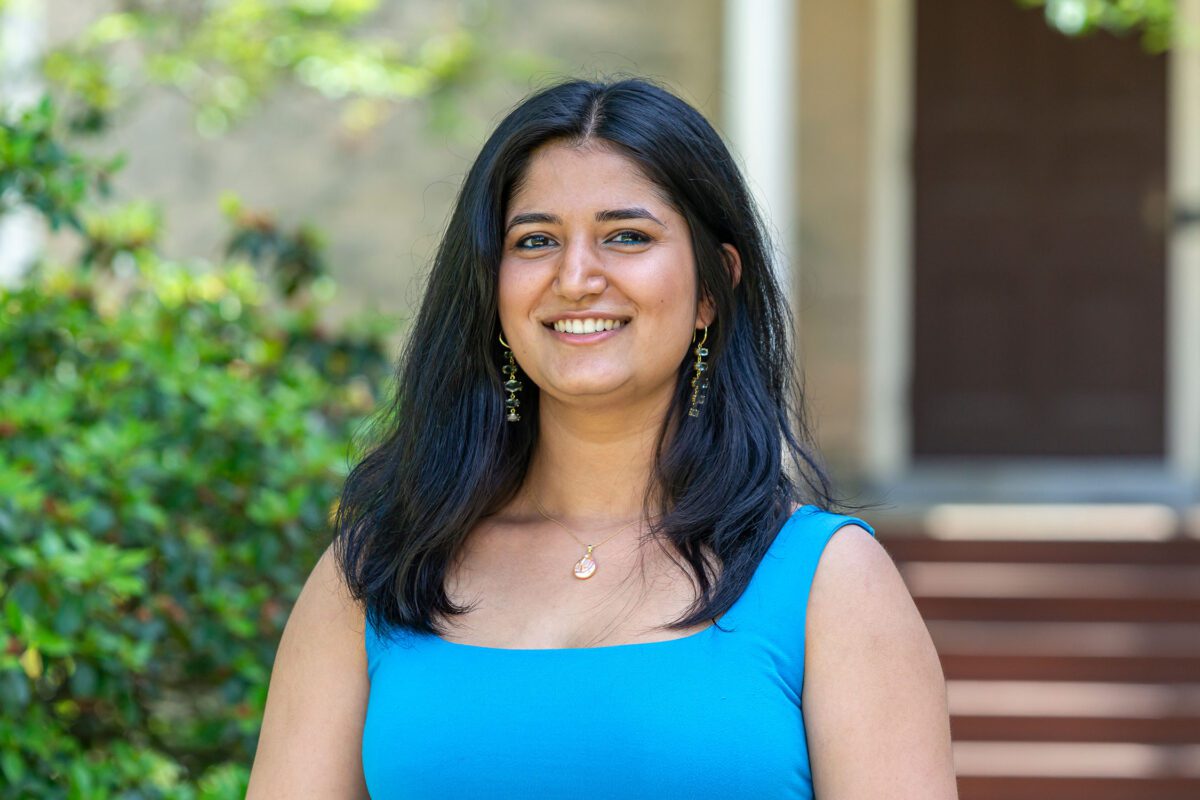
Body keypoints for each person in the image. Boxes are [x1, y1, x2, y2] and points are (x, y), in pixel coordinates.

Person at [246, 77, 957, 799]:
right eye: (536, 241)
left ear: (714, 286)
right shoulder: (378, 572)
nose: (577, 277)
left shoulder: (828, 583)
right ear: (493, 288)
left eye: (627, 236)